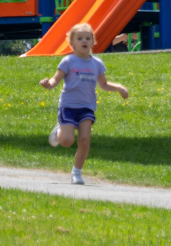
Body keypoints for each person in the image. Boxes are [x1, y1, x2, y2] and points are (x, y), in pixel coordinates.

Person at [38, 23, 129, 185]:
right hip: (68, 106)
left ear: (93, 42)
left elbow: (104, 85)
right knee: (67, 141)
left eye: (88, 38)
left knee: (85, 140)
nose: (84, 41)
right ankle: (60, 129)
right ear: (72, 44)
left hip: (87, 108)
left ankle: (77, 172)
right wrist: (48, 84)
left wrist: (119, 88)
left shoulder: (97, 64)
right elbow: (55, 80)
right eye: (80, 39)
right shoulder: (68, 61)